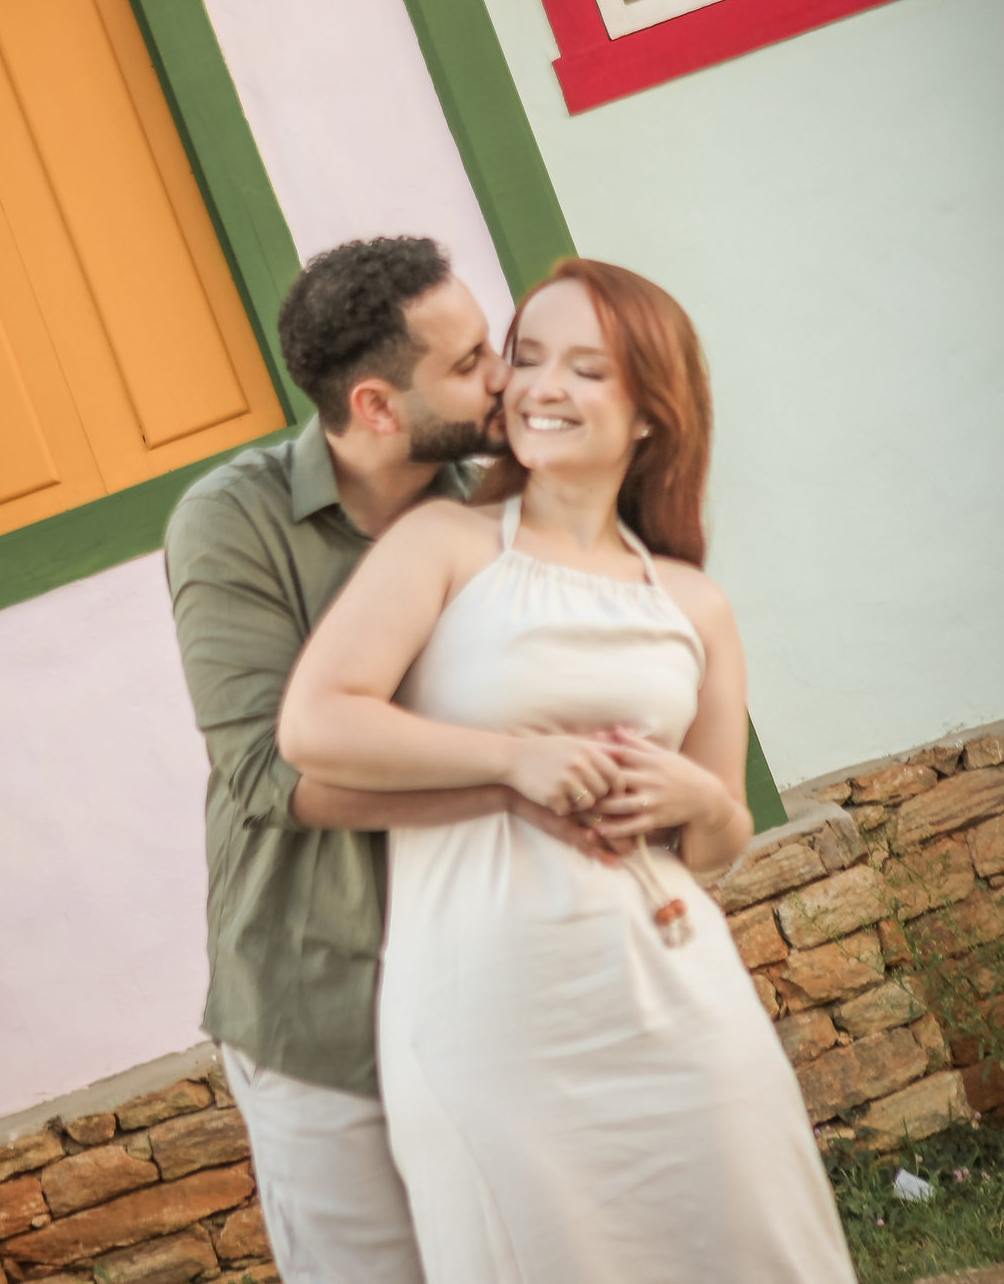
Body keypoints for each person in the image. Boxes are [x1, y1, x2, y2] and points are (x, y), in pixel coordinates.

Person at [280, 257, 857, 1284]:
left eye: (587, 370)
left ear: (652, 414)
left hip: (676, 996)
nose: (541, 387)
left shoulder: (691, 603)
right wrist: (517, 760)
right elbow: (315, 725)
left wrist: (698, 797)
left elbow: (717, 844)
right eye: (529, 356)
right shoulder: (444, 544)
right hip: (490, 1015)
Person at [165, 236, 615, 1284]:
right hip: (325, 1000)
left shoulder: (510, 502)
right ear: (375, 406)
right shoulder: (232, 523)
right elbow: (272, 776)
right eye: (467, 364)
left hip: (504, 979)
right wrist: (509, 779)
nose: (503, 376)